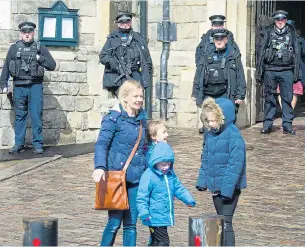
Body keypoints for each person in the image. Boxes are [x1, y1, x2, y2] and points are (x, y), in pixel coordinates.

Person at [92, 79, 147, 246]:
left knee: (131, 225)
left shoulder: (143, 120)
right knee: (114, 223)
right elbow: (102, 144)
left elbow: (146, 147)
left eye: (141, 96)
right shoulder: (113, 119)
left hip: (137, 178)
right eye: (135, 96)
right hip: (117, 177)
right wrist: (100, 167)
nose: (139, 100)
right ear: (125, 98)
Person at [196, 97, 247, 247]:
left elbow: (235, 165)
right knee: (220, 221)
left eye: (214, 121)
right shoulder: (210, 134)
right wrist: (202, 180)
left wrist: (227, 189)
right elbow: (206, 158)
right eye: (209, 121)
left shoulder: (234, 136)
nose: (211, 124)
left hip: (230, 189)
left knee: (226, 223)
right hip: (215, 187)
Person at [0, 21, 56, 154]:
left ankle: (38, 144)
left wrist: (39, 58)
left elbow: (52, 65)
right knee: (20, 116)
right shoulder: (13, 48)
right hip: (19, 86)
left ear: (33, 33)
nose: (26, 34)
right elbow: (6, 68)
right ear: (20, 34)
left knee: (36, 115)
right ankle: (19, 144)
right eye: (24, 32)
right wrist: (3, 85)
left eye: (29, 32)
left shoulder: (40, 47)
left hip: (35, 86)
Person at [137, 141, 196, 246]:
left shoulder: (170, 175)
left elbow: (178, 188)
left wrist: (188, 199)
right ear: (155, 162)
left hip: (163, 216)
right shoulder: (149, 176)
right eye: (163, 165)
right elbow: (142, 196)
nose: (166, 167)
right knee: (163, 242)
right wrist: (144, 212)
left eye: (168, 164)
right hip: (154, 217)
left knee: (156, 242)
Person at [256, 10, 302, 135]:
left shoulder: (292, 34)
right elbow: (260, 53)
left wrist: (296, 73)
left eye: (282, 19)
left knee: (287, 98)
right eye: (277, 20)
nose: (280, 22)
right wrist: (260, 71)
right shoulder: (268, 33)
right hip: (270, 70)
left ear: (286, 20)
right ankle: (267, 125)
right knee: (269, 98)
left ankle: (287, 125)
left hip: (287, 70)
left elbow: (297, 54)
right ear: (275, 21)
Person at [192, 28, 246, 116]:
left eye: (222, 39)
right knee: (208, 119)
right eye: (217, 39)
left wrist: (240, 94)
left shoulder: (233, 55)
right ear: (213, 40)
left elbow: (240, 76)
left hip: (225, 93)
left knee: (226, 118)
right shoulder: (206, 55)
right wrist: (195, 92)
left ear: (226, 40)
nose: (219, 41)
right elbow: (198, 74)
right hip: (208, 94)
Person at [99, 12, 153, 97]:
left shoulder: (138, 38)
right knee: (123, 101)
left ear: (131, 23)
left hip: (135, 75)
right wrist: (114, 64)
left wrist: (146, 77)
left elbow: (147, 59)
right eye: (122, 22)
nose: (125, 24)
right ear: (118, 24)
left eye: (127, 22)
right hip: (119, 77)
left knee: (135, 100)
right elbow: (103, 56)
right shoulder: (112, 39)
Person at [277, 20, 304, 110]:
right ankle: (289, 111)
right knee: (292, 89)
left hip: (286, 67)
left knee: (285, 89)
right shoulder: (299, 39)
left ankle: (286, 111)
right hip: (293, 68)